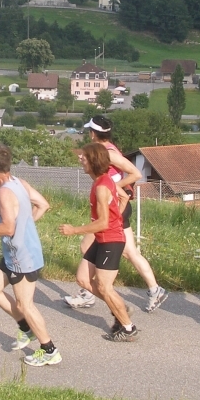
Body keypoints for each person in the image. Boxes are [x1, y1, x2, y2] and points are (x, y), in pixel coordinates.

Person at [0, 144, 60, 367]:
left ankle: (49, 350)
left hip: (21, 257)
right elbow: (43, 205)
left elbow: (8, 228)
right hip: (15, 253)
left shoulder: (5, 193)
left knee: (26, 305)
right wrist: (27, 224)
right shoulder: (19, 183)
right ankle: (26, 329)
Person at [64, 116, 168, 313]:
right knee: (130, 252)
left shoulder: (108, 153)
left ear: (93, 133)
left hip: (115, 204)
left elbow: (135, 174)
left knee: (87, 245)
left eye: (89, 131)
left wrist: (111, 188)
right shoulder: (103, 150)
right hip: (118, 203)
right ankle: (155, 289)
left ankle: (88, 292)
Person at [59, 142, 139, 342]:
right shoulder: (102, 181)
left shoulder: (102, 187)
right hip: (104, 238)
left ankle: (128, 328)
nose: (81, 160)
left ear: (93, 161)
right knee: (83, 279)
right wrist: (117, 220)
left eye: (84, 157)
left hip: (111, 240)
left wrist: (74, 230)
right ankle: (118, 306)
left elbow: (103, 222)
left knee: (103, 287)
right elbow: (123, 198)